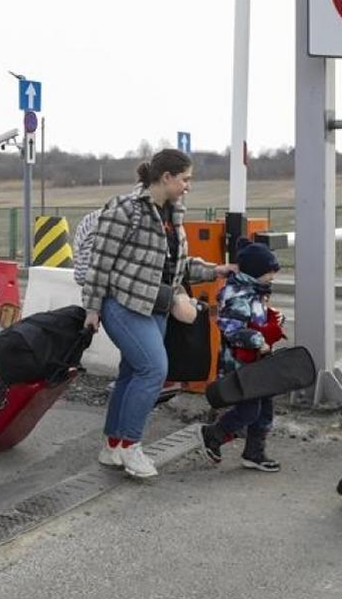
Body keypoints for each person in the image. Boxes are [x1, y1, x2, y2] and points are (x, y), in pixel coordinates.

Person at [82, 148, 236, 478]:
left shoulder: (173, 213)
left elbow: (178, 266)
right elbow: (99, 264)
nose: (188, 186)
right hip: (123, 303)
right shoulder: (124, 209)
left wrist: (215, 270)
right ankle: (131, 446)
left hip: (157, 306)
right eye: (185, 179)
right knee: (153, 370)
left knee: (131, 373)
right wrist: (92, 308)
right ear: (166, 177)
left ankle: (113, 445)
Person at [196, 239, 285, 472]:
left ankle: (254, 453)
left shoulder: (255, 291)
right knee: (249, 410)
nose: (272, 277)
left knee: (264, 409)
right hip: (241, 364)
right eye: (269, 273)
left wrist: (273, 320)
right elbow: (232, 329)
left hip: (258, 362)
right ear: (255, 272)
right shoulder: (237, 295)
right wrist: (258, 341)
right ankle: (214, 434)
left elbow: (255, 318)